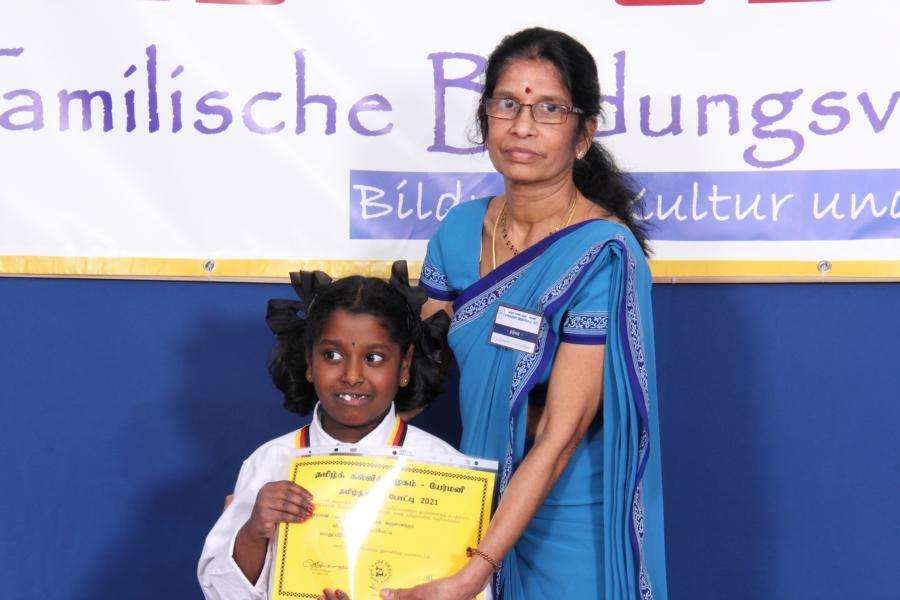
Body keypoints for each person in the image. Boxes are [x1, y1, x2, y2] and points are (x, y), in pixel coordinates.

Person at [381, 28, 668, 600]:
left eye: (550, 109)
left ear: (584, 134)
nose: (523, 126)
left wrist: (476, 571)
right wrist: (313, 474)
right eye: (507, 104)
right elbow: (417, 386)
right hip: (473, 503)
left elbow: (561, 435)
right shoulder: (458, 231)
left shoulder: (603, 255)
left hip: (570, 523)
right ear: (485, 117)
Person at [198, 263, 456, 600]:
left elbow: (471, 587)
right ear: (309, 361)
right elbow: (220, 592)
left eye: (374, 358)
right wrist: (253, 531)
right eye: (332, 355)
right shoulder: (271, 462)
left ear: (404, 365)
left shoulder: (445, 469)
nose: (352, 375)